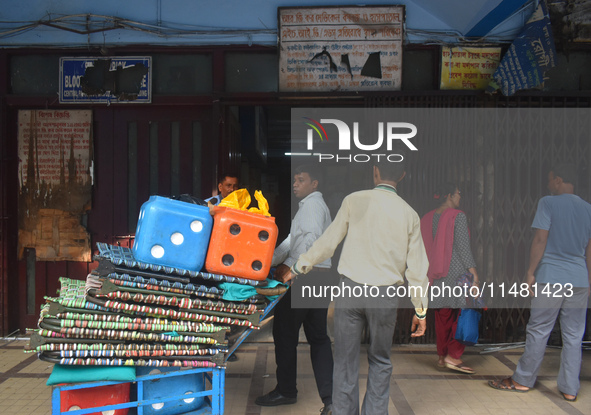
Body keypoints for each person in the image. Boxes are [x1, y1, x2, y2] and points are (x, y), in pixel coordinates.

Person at [284, 157, 429, 415]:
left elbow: (328, 242)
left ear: (375, 172)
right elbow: (417, 268)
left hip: (350, 291)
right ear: (403, 176)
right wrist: (421, 310)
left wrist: (298, 267)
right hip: (385, 295)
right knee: (381, 360)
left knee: (344, 360)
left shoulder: (353, 200)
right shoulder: (410, 214)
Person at [488, 164, 591, 402]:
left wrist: (530, 272)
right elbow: (589, 250)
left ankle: (523, 380)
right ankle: (570, 388)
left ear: (558, 180)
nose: (547, 184)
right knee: (574, 335)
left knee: (539, 329)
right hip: (578, 279)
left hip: (551, 277)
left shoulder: (548, 202)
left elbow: (540, 239)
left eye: (549, 179)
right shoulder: (588, 209)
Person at [255, 165, 334, 415]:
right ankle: (330, 398)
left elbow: (309, 241)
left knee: (284, 333)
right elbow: (291, 241)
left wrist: (291, 268)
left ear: (315, 184)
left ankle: (286, 391)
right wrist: (267, 261)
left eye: (302, 180)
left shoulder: (312, 205)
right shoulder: (307, 208)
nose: (295, 184)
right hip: (321, 279)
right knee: (319, 338)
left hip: (306, 278)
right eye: (294, 180)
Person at [420, 182, 480, 374]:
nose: (460, 197)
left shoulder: (426, 218)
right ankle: (453, 356)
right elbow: (463, 248)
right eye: (458, 194)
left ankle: (441, 357)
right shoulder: (458, 216)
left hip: (434, 274)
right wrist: (474, 274)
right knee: (463, 313)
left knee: (442, 316)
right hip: (456, 273)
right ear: (449, 196)